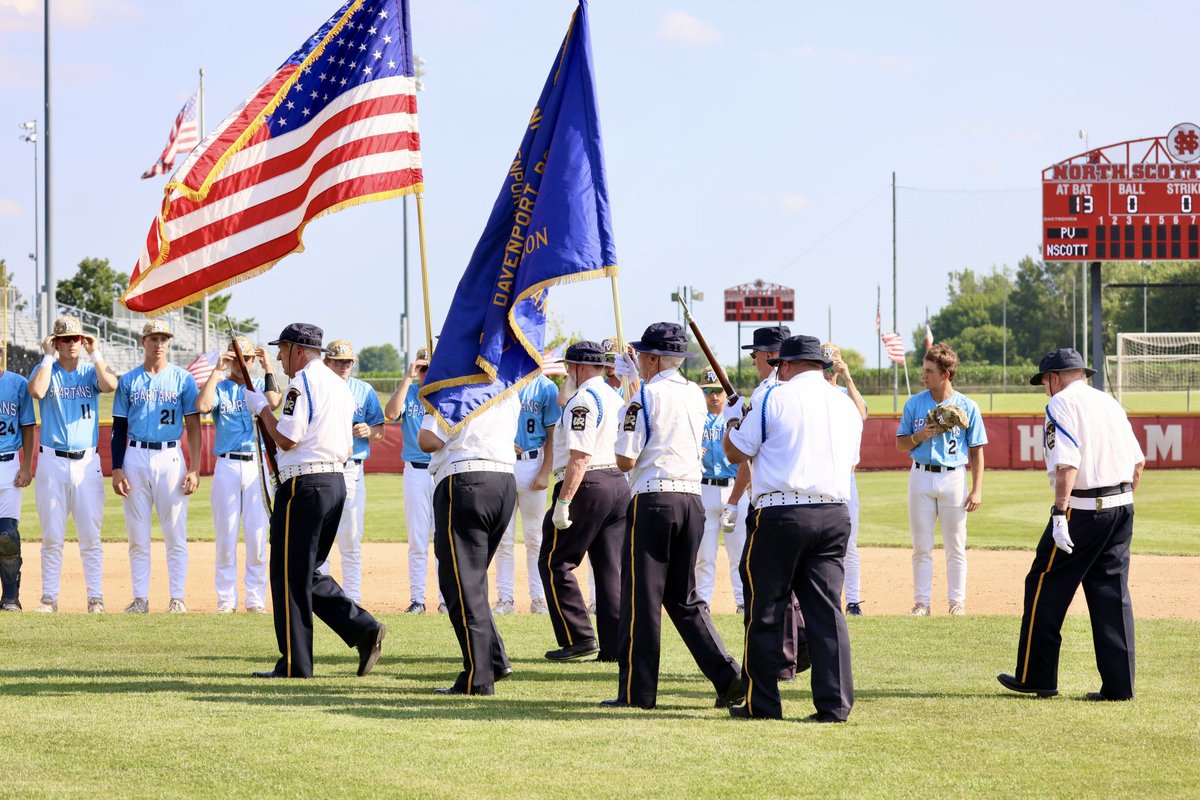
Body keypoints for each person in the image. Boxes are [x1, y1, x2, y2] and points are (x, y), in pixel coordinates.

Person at [602, 322, 743, 710]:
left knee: (641, 599)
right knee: (684, 598)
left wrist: (631, 401)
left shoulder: (644, 396)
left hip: (655, 498)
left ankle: (637, 692)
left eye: (643, 356)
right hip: (691, 498)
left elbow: (625, 457)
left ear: (652, 358)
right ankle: (728, 677)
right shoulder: (696, 394)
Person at [724, 335, 863, 722]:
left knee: (765, 608)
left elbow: (735, 451)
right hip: (834, 511)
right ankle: (834, 705)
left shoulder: (773, 396)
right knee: (825, 613)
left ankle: (762, 702)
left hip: (782, 512)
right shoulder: (845, 404)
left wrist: (735, 418)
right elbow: (852, 459)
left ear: (784, 365)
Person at [998, 348, 1145, 701]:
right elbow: (1138, 463)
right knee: (1111, 592)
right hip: (1122, 504)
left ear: (1054, 378)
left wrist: (1059, 515)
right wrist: (1120, 502)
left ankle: (1036, 676)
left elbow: (1067, 463)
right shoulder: (1109, 402)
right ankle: (1120, 686)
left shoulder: (1060, 404)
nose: (1045, 389)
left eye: (1044, 381)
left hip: (1083, 508)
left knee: (1044, 583)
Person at [244, 323, 386, 679]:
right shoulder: (340, 387)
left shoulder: (302, 383)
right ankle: (362, 628)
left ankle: (295, 663)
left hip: (306, 484)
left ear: (297, 350)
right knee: (306, 571)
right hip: (335, 480)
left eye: (282, 349)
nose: (278, 357)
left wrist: (262, 409)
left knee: (289, 574)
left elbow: (288, 439)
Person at [418, 385, 520, 695]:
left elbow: (428, 440)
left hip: (465, 480)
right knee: (470, 583)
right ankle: (494, 659)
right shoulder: (510, 387)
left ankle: (478, 677)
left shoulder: (455, 383)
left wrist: (428, 405)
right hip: (503, 481)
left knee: (459, 584)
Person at [723, 324, 807, 677]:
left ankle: (782, 657)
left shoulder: (768, 393)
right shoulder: (794, 390)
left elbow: (744, 455)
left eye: (755, 353)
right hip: (803, 497)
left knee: (763, 581)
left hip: (772, 500)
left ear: (770, 356)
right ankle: (797, 649)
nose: (753, 359)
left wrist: (733, 424)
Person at [540, 341, 628, 662]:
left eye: (569, 367)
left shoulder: (584, 400)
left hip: (587, 483)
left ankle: (578, 637)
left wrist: (564, 501)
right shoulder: (611, 395)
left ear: (577, 367)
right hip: (617, 482)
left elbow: (579, 455)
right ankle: (615, 645)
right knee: (609, 569)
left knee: (554, 562)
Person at [27, 316, 118, 613]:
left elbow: (110, 384)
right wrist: (47, 356)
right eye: (65, 339)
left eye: (76, 338)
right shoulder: (46, 370)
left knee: (90, 535)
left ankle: (96, 597)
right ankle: (49, 598)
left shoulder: (90, 371)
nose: (72, 343)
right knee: (52, 535)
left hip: (87, 461)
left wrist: (96, 352)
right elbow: (37, 392)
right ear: (56, 342)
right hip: (52, 460)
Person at [111, 320, 202, 614]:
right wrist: (116, 468)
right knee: (138, 535)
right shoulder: (128, 381)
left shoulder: (183, 379)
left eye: (164, 338)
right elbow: (119, 427)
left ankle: (177, 597)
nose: (159, 343)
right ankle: (140, 598)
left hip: (170, 456)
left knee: (175, 532)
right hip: (135, 456)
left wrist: (195, 468)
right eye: (153, 338)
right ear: (143, 341)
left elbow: (193, 425)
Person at [895, 342, 987, 616]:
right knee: (921, 545)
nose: (924, 375)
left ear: (946, 374)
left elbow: (977, 450)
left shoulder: (967, 406)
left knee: (955, 545)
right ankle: (922, 603)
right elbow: (901, 444)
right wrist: (919, 437)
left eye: (929, 371)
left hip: (953, 478)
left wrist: (977, 489)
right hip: (921, 476)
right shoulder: (915, 403)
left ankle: (956, 603)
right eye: (924, 369)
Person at [195, 335, 281, 613]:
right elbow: (203, 406)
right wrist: (217, 370)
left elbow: (275, 401)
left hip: (256, 463)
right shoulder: (221, 387)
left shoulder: (257, 389)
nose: (240, 363)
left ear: (253, 360)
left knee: (257, 536)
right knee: (226, 535)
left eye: (246, 358)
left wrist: (268, 367)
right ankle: (226, 599)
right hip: (228, 464)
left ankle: (255, 598)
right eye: (236, 358)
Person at [319, 339, 386, 604]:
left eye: (348, 361)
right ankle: (321, 594)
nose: (344, 365)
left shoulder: (364, 390)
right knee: (322, 534)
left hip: (352, 468)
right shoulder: (319, 388)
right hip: (325, 464)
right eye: (339, 361)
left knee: (351, 535)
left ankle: (353, 596)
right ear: (328, 362)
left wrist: (370, 431)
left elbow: (380, 429)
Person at [494, 370, 561, 615]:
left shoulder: (546, 387)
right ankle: (505, 599)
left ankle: (539, 598)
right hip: (503, 461)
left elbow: (553, 434)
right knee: (503, 537)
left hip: (533, 462)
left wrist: (546, 470)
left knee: (535, 537)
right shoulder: (502, 382)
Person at [384, 349, 443, 614]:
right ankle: (418, 599)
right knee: (418, 539)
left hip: (440, 469)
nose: (424, 372)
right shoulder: (408, 392)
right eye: (421, 367)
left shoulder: (443, 392)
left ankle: (445, 600)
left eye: (428, 367)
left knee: (443, 539)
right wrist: (408, 377)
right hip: (416, 470)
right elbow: (390, 413)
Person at [694, 369, 746, 613]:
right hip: (704, 487)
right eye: (707, 390)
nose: (713, 395)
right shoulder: (695, 417)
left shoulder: (737, 415)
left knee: (739, 552)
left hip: (735, 486)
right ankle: (703, 602)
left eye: (718, 390)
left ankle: (743, 601)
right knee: (704, 554)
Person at [822, 342, 868, 615]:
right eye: (824, 366)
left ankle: (853, 601)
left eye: (832, 367)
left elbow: (862, 414)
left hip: (846, 478)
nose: (828, 372)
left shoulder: (844, 393)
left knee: (849, 544)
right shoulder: (813, 394)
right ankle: (827, 601)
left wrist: (848, 378)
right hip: (822, 477)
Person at [0, 358, 36, 611]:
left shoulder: (18, 384)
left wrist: (26, 466)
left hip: (8, 463)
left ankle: (10, 597)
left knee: (7, 536)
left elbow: (28, 426)